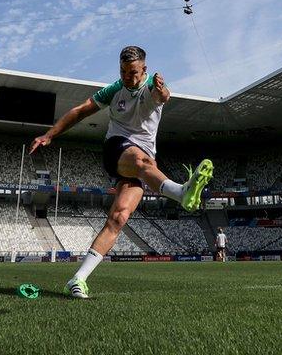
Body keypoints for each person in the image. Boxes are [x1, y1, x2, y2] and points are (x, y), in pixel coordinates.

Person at [30, 46, 213, 299]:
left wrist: (163, 92)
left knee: (119, 218)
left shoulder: (153, 88)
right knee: (143, 162)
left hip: (142, 160)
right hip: (117, 149)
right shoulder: (114, 90)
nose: (127, 77)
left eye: (133, 72)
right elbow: (81, 111)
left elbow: (164, 96)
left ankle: (77, 279)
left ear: (144, 70)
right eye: (123, 72)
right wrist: (49, 135)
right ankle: (181, 192)